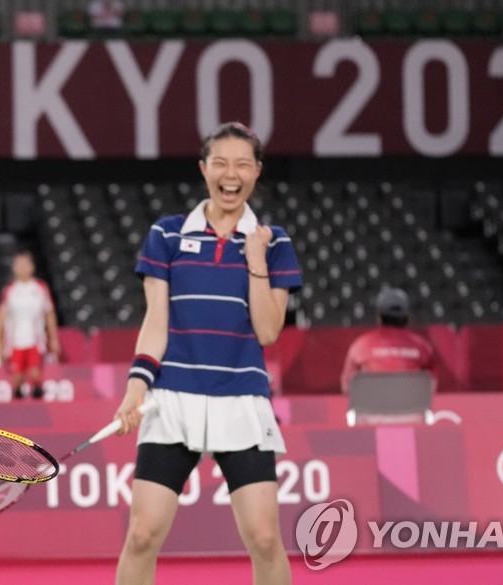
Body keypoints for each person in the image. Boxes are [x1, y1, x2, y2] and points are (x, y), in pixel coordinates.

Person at [113, 122, 301, 585]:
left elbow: (269, 330)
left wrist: (256, 261)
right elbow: (155, 321)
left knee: (263, 539)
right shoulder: (168, 235)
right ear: (204, 169)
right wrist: (136, 386)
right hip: (172, 397)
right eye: (220, 163)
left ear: (257, 172)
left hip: (241, 398)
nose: (230, 173)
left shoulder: (273, 242)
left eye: (242, 164)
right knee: (142, 535)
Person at [340, 287, 437, 393]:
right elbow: (431, 386)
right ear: (408, 318)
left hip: (370, 408)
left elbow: (347, 386)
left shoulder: (360, 345)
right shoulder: (423, 346)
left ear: (379, 317)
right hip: (412, 408)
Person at [0, 251, 60, 400]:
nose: (22, 268)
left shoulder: (41, 288)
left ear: (32, 267)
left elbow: (49, 314)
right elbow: (0, 319)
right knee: (17, 378)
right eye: (19, 264)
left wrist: (53, 338)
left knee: (35, 375)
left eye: (26, 264)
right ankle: (18, 409)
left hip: (35, 341)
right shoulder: (10, 290)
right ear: (14, 268)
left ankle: (39, 404)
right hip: (15, 342)